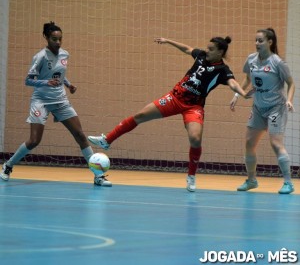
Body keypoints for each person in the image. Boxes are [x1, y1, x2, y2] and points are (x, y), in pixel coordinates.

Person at [88, 36, 251, 192]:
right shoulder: (200, 55)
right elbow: (187, 49)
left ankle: (191, 176)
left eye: (211, 49)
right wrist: (168, 41)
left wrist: (242, 93)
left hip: (193, 106)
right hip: (174, 97)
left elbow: (233, 83)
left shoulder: (222, 70)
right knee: (140, 115)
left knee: (195, 138)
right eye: (207, 48)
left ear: (220, 52)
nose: (206, 50)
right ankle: (107, 140)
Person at [0, 21, 111, 187]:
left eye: (60, 39)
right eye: (54, 39)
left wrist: (68, 84)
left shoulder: (65, 54)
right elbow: (28, 80)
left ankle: (98, 177)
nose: (58, 42)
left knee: (80, 135)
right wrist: (45, 83)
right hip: (41, 101)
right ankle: (8, 165)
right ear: (46, 38)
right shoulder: (40, 57)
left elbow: (59, 74)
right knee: (34, 141)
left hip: (60, 100)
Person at [230, 28, 295, 194]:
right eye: (256, 40)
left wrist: (289, 100)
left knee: (275, 143)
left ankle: (288, 182)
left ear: (270, 42)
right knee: (249, 143)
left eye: (260, 40)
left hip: (276, 108)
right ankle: (251, 180)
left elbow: (290, 82)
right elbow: (247, 78)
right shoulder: (251, 59)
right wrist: (237, 94)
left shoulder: (277, 62)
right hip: (258, 108)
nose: (257, 43)